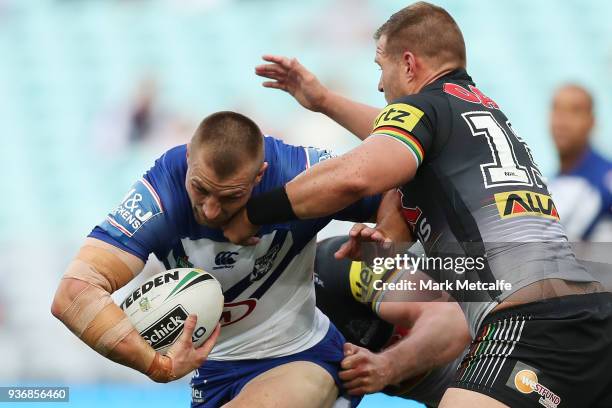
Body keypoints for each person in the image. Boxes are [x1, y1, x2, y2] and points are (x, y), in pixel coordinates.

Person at [223, 2, 612, 407]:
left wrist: (251, 215)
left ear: (408, 64)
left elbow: (355, 175)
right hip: (592, 316)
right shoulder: (481, 112)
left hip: (527, 326)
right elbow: (396, 141)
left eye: (380, 67)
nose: (378, 84)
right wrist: (323, 101)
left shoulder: (426, 110)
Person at [51, 111, 380, 408]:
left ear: (260, 175)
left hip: (300, 357)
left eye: (230, 196)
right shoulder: (161, 191)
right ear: (189, 156)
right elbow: (74, 293)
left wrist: (384, 239)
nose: (210, 209)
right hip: (210, 374)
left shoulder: (301, 171)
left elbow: (399, 189)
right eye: (200, 189)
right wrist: (156, 366)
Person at [314, 235, 470, 407]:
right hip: (437, 390)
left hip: (477, 345)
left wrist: (387, 366)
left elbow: (451, 320)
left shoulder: (339, 262)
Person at [547, 84, 612, 241]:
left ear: (591, 121)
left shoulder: (606, 180)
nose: (562, 122)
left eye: (574, 111)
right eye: (557, 110)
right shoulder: (547, 185)